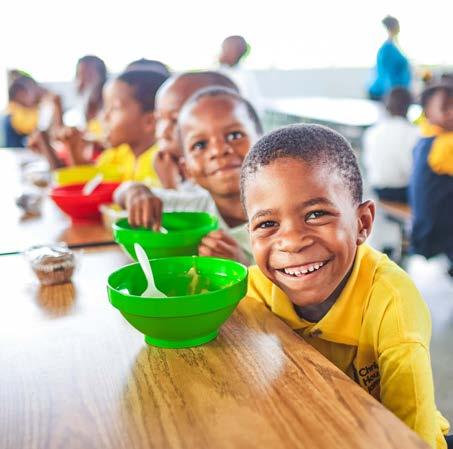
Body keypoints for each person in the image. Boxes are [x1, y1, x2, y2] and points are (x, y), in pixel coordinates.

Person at [241, 124, 450, 449]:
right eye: (268, 223)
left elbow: (410, 438)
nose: (292, 242)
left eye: (316, 214)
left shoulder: (393, 304)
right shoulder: (251, 291)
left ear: (362, 223)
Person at [115, 87, 263, 265]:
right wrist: (137, 192)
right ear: (187, 169)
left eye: (234, 135)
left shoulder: (284, 212)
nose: (218, 150)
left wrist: (242, 267)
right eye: (200, 145)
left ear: (263, 142)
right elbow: (122, 193)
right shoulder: (196, 207)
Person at [30, 70, 168, 185]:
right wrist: (73, 148)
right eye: (105, 108)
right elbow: (89, 184)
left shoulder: (161, 163)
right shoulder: (120, 153)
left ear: (149, 122)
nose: (104, 117)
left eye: (114, 108)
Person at [153, 71, 238, 189]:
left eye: (175, 120)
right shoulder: (165, 166)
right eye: (159, 119)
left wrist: (170, 186)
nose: (162, 133)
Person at [409, 79, 453, 277]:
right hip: (442, 233)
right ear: (427, 113)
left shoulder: (425, 137)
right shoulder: (445, 144)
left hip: (424, 227)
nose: (452, 112)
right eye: (445, 108)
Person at [363, 86, 419, 203]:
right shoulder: (414, 132)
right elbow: (411, 169)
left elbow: (367, 164)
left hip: (378, 188)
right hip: (402, 191)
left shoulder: (372, 131)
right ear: (409, 106)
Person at [368, 16, 411, 101]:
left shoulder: (395, 47)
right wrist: (390, 96)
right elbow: (387, 74)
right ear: (393, 27)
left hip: (396, 93)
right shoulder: (387, 49)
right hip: (386, 94)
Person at [218, 35, 263, 116]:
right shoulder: (216, 73)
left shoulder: (246, 76)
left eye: (225, 49)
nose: (221, 53)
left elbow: (255, 105)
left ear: (236, 52)